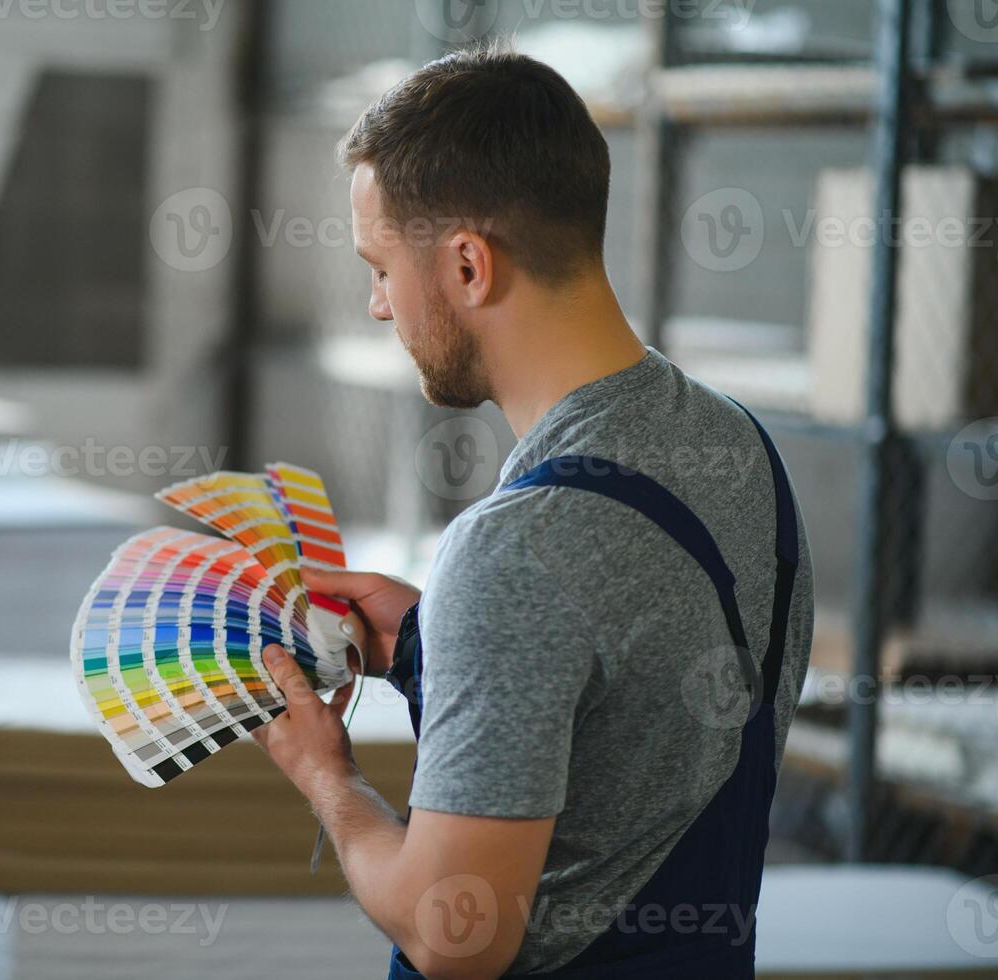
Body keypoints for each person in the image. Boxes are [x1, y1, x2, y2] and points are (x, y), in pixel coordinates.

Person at [251, 44, 814, 979]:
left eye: (382, 266)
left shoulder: (517, 550)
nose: (378, 305)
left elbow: (451, 934)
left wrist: (327, 776)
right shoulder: (736, 443)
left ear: (468, 265)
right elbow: (636, 741)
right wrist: (437, 645)